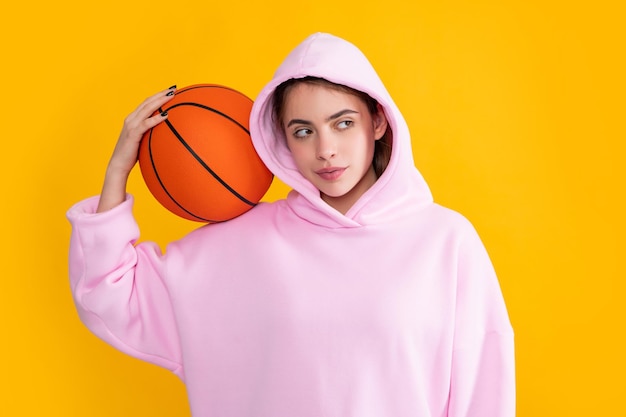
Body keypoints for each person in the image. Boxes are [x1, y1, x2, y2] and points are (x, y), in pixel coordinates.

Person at [67, 32, 515, 416]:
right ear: (279, 139)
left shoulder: (445, 241)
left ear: (378, 121)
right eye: (303, 131)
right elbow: (108, 292)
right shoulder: (242, 244)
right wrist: (118, 169)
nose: (326, 150)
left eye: (343, 123)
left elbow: (484, 393)